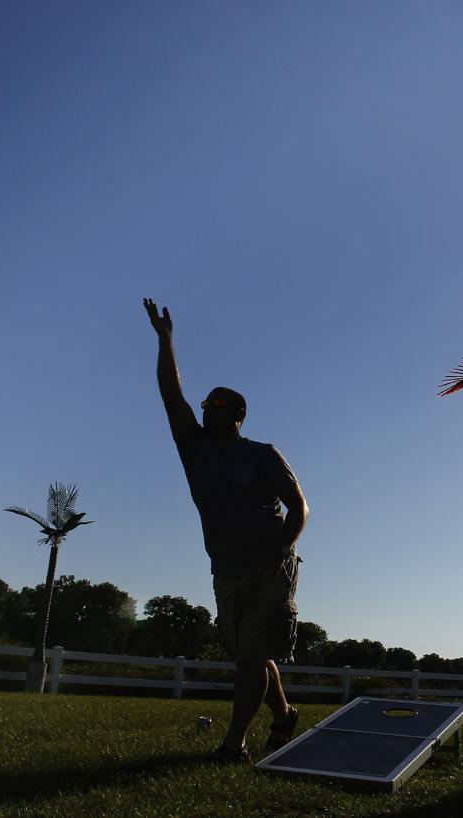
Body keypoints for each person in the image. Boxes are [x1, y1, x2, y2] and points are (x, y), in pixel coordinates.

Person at [143, 298, 309, 763]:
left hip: (270, 566)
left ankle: (233, 743)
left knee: (253, 656)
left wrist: (280, 550)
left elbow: (299, 507)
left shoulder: (262, 454)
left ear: (238, 413)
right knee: (249, 656)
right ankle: (284, 715)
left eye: (216, 405)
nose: (205, 410)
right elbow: (170, 394)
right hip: (226, 566)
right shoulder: (193, 448)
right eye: (204, 404)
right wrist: (165, 340)